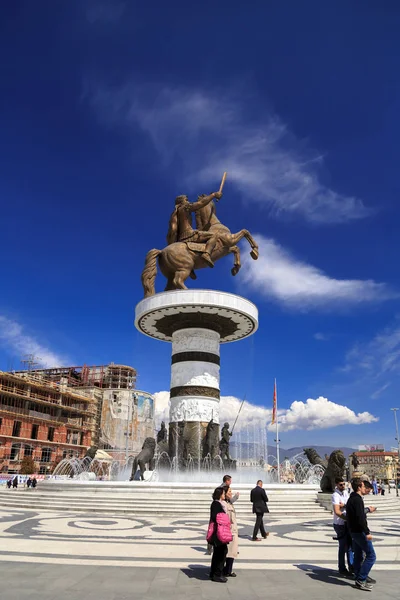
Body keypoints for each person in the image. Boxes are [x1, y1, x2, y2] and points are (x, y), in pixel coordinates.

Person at [346, 478, 377, 591]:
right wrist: (367, 532)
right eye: (364, 486)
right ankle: (361, 579)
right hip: (359, 532)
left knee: (358, 556)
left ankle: (358, 575)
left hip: (353, 531)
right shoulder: (357, 500)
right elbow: (360, 518)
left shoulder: (352, 498)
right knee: (371, 556)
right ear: (359, 487)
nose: (366, 489)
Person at [331, 477, 353, 576]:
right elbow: (337, 511)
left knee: (349, 547)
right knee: (343, 547)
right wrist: (347, 518)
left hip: (346, 523)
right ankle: (342, 568)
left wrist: (343, 505)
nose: (343, 486)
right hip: (340, 524)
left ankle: (351, 567)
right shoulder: (335, 495)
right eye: (340, 484)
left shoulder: (345, 493)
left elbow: (348, 505)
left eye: (344, 484)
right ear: (336, 485)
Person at [208, 487, 229, 583]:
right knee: (222, 552)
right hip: (219, 533)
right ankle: (217, 574)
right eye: (223, 493)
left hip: (218, 532)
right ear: (220, 494)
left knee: (218, 553)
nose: (224, 495)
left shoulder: (216, 503)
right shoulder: (216, 504)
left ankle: (213, 573)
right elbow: (215, 517)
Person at [222, 486, 239, 577]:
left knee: (232, 552)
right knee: (228, 552)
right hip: (229, 532)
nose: (231, 493)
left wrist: (235, 497)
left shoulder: (229, 503)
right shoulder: (224, 504)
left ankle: (228, 570)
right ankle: (225, 570)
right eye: (229, 491)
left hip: (233, 531)